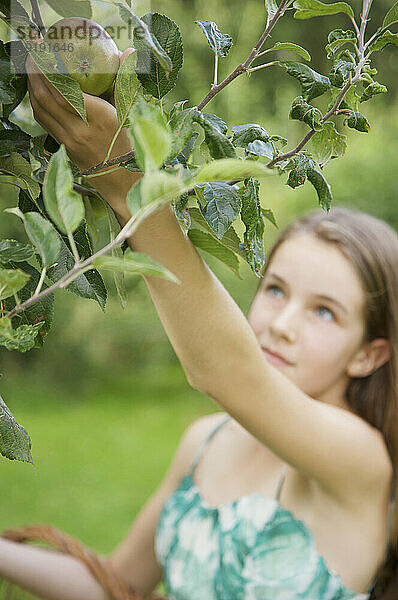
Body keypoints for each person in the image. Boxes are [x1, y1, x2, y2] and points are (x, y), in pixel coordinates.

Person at [0, 46, 397, 600]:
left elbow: (224, 372)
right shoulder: (204, 444)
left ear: (369, 354)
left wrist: (123, 179)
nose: (281, 323)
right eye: (276, 289)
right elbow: (120, 586)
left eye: (324, 311)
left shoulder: (361, 461)